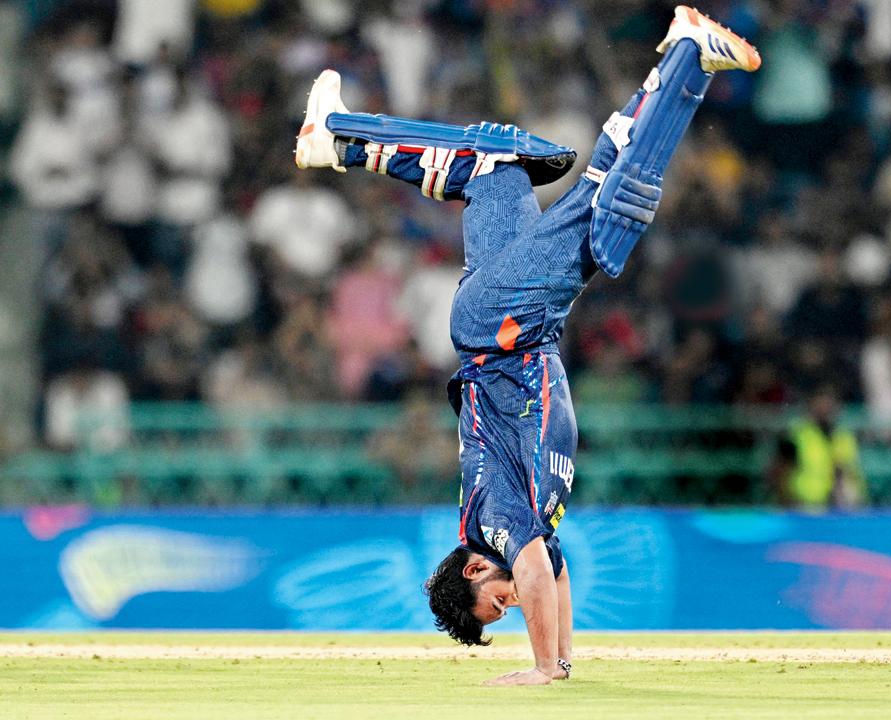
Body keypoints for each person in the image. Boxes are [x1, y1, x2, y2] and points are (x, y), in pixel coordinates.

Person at [293, 6, 760, 686]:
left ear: (474, 571)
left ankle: (689, 57)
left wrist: (541, 670)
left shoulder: (493, 522)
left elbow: (536, 570)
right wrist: (564, 661)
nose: (510, 604)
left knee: (610, 215)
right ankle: (338, 142)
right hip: (505, 330)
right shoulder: (517, 528)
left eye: (495, 605)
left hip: (503, 331)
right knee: (499, 166)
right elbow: (556, 575)